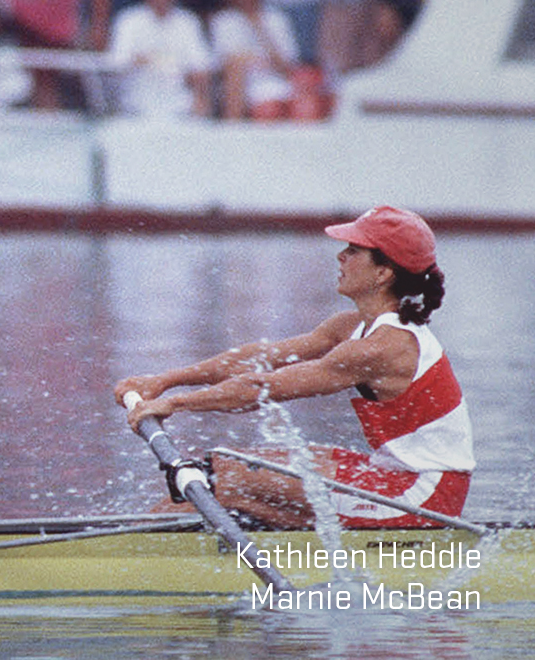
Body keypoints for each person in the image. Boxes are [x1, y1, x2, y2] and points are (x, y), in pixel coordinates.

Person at [115, 206, 473, 529]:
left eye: (353, 251)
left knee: (228, 479)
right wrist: (164, 381)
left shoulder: (385, 347)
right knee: (222, 463)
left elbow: (262, 389)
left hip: (424, 496)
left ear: (382, 273)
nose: (341, 256)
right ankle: (137, 540)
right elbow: (259, 358)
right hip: (389, 472)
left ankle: (123, 555)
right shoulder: (350, 326)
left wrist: (173, 405)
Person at [107, 0, 213, 118]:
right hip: (135, 103)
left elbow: (201, 66)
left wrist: (201, 96)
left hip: (180, 103)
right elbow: (117, 62)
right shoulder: (128, 20)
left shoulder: (188, 22)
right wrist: (158, 61)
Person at [208, 0, 299, 120]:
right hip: (237, 87)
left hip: (273, 83)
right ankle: (233, 130)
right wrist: (259, 62)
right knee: (235, 71)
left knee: (272, 106)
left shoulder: (276, 19)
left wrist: (259, 28)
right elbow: (225, 64)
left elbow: (287, 68)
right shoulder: (223, 21)